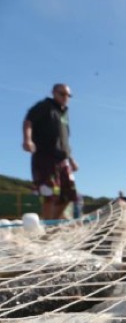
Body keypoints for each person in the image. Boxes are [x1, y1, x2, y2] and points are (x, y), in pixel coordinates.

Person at [22, 83, 80, 220]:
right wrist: (27, 140)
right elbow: (28, 121)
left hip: (62, 159)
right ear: (53, 93)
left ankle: (52, 223)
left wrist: (71, 159)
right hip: (45, 156)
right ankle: (49, 227)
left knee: (70, 194)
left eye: (68, 95)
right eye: (62, 94)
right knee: (49, 194)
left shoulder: (64, 114)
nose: (65, 97)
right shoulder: (45, 106)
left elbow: (64, 139)